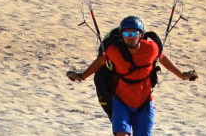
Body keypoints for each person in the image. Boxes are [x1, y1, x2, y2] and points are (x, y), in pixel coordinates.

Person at [66, 15, 197, 136]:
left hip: (144, 102)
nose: (130, 37)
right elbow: (99, 62)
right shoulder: (114, 51)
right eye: (126, 33)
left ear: (141, 34)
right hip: (121, 101)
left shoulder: (151, 49)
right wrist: (81, 76)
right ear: (121, 35)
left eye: (134, 33)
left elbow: (164, 59)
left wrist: (182, 75)